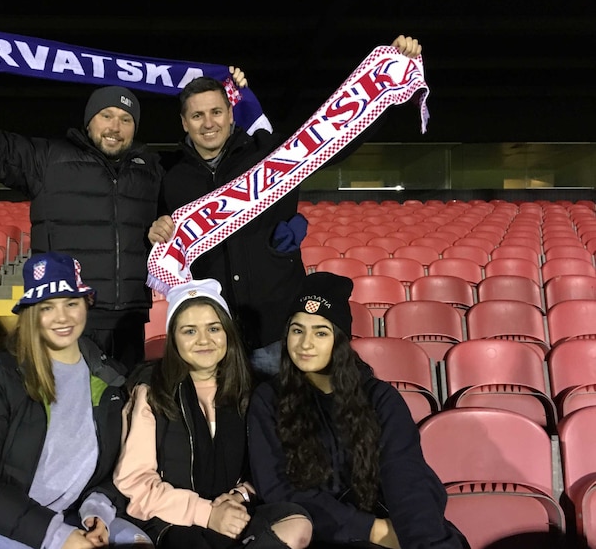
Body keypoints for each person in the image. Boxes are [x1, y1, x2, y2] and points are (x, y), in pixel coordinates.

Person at [148, 36, 423, 379]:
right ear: (184, 122)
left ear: (231, 114)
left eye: (216, 112)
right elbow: (156, 232)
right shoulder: (168, 176)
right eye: (198, 115)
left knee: (284, 421)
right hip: (216, 335)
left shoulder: (270, 155)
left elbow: (341, 138)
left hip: (275, 327)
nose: (209, 123)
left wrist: (392, 80)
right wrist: (155, 230)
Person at [0, 26, 163, 372]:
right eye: (107, 116)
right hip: (67, 316)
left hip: (130, 318)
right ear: (89, 122)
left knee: (123, 416)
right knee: (65, 418)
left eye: (126, 119)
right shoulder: (47, 159)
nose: (115, 126)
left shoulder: (151, 170)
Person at [0, 251, 151, 549]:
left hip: (69, 517)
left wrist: (98, 510)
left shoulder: (112, 378)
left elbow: (119, 469)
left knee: (138, 543)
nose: (63, 317)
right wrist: (56, 537)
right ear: (31, 313)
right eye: (47, 307)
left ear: (86, 304)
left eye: (71, 303)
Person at [246, 272, 469, 549]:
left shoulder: (380, 397)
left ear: (340, 340)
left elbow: (405, 474)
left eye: (320, 332)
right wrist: (370, 530)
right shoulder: (268, 400)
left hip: (391, 521)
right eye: (297, 330)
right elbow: (279, 489)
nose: (305, 344)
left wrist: (424, 541)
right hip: (318, 531)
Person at [113, 278, 313, 549]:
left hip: (234, 510)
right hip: (175, 517)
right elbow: (134, 481)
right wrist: (206, 514)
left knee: (297, 525)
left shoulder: (253, 389)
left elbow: (270, 467)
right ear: (173, 337)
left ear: (227, 333)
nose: (204, 340)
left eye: (213, 328)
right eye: (189, 331)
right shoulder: (152, 390)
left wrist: (239, 497)